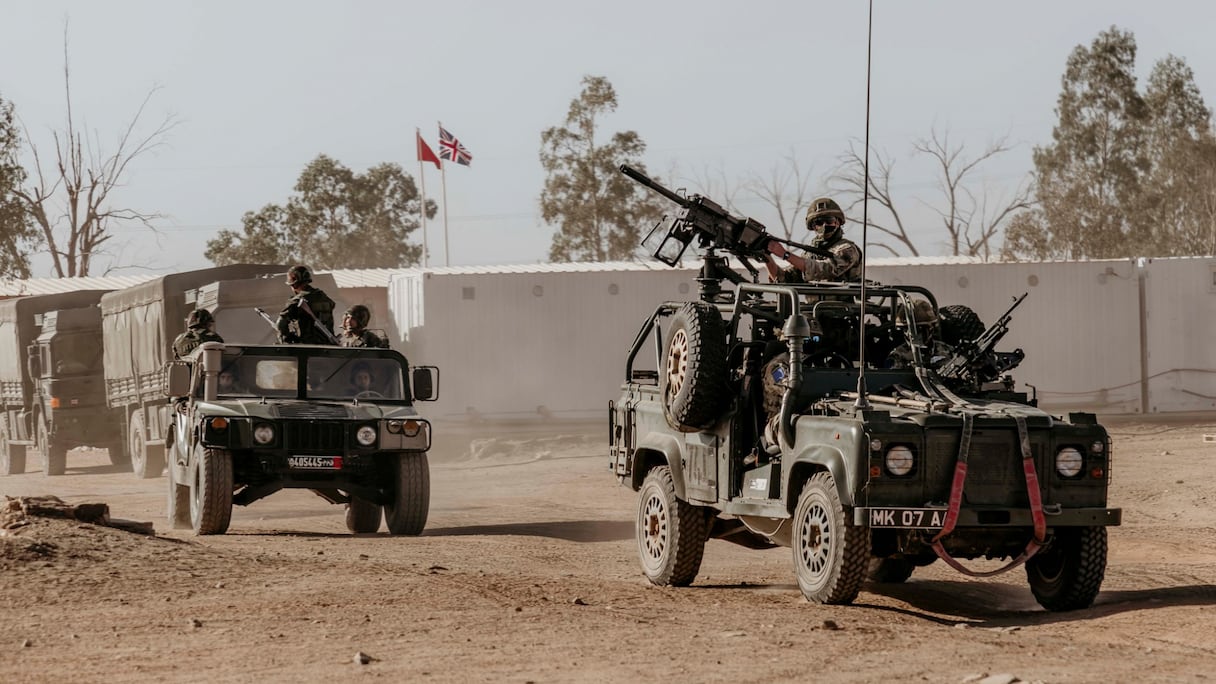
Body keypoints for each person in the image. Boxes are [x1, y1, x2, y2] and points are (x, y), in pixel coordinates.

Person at [764, 197, 862, 283]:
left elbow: (824, 270)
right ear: (814, 227)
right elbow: (784, 279)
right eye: (819, 222)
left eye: (829, 220)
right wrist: (765, 255)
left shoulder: (848, 250)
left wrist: (785, 255)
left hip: (841, 304)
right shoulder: (810, 254)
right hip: (814, 304)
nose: (824, 225)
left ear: (838, 223)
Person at [276, 265, 337, 345]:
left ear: (294, 284)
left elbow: (281, 324)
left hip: (307, 348)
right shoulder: (324, 297)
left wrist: (287, 338)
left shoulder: (297, 301)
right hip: (327, 347)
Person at [887, 299, 953, 369]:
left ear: (930, 329)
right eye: (906, 329)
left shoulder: (946, 350)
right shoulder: (898, 355)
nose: (909, 333)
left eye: (918, 329)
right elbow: (893, 377)